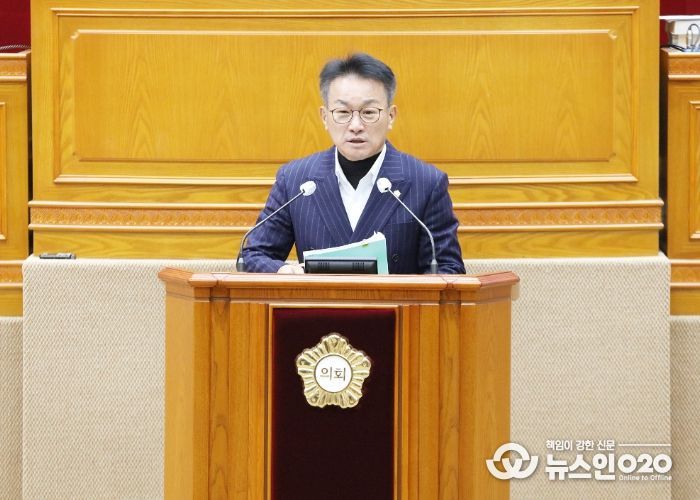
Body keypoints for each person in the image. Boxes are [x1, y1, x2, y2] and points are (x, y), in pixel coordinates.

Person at [241, 53, 465, 274]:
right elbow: (253, 256)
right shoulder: (296, 181)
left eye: (369, 112)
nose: (356, 125)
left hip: (394, 300)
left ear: (391, 116)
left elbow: (449, 269)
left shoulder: (426, 182)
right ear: (325, 117)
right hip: (318, 300)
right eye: (343, 112)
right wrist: (283, 271)